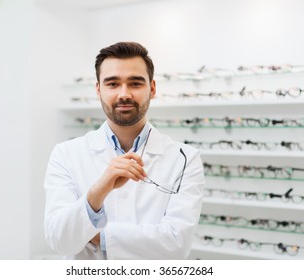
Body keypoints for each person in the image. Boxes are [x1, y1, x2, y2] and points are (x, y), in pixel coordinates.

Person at [44, 42, 205, 260]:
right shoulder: (66, 154)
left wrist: (95, 235)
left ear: (153, 88)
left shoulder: (185, 158)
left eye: (135, 83)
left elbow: (177, 244)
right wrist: (98, 191)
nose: (124, 94)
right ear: (98, 89)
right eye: (112, 84)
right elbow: (59, 240)